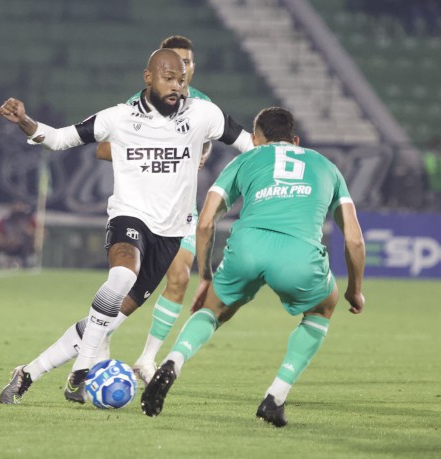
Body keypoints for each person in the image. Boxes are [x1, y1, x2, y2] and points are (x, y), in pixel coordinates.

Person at [0, 48, 255, 405]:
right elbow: (58, 139)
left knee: (103, 323)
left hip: (170, 234)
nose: (176, 86)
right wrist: (25, 121)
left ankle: (28, 373)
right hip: (129, 217)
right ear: (148, 77)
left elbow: (250, 145)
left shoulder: (202, 114)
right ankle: (82, 371)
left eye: (181, 80)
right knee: (121, 276)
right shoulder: (118, 117)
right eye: (168, 78)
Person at [140, 107, 366, 427]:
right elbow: (354, 241)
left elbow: (205, 223)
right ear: (295, 140)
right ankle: (275, 397)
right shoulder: (327, 167)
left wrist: (206, 277)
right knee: (321, 309)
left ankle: (172, 362)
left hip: (247, 246)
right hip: (298, 256)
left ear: (256, 140)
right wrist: (355, 291)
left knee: (213, 309)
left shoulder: (245, 159)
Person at [96, 35, 213, 384]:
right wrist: (153, 148)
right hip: (142, 209)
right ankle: (100, 332)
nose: (181, 68)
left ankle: (147, 360)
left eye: (187, 62)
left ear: (192, 68)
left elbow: (210, 142)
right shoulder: (139, 103)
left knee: (180, 278)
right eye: (174, 62)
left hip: (182, 211)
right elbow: (103, 148)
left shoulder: (203, 105)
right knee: (129, 281)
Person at [0, 201, 36, 269]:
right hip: (7, 251)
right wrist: (2, 239)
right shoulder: (4, 220)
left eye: (20, 205)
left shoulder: (29, 219)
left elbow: (40, 233)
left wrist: (31, 233)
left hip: (25, 252)